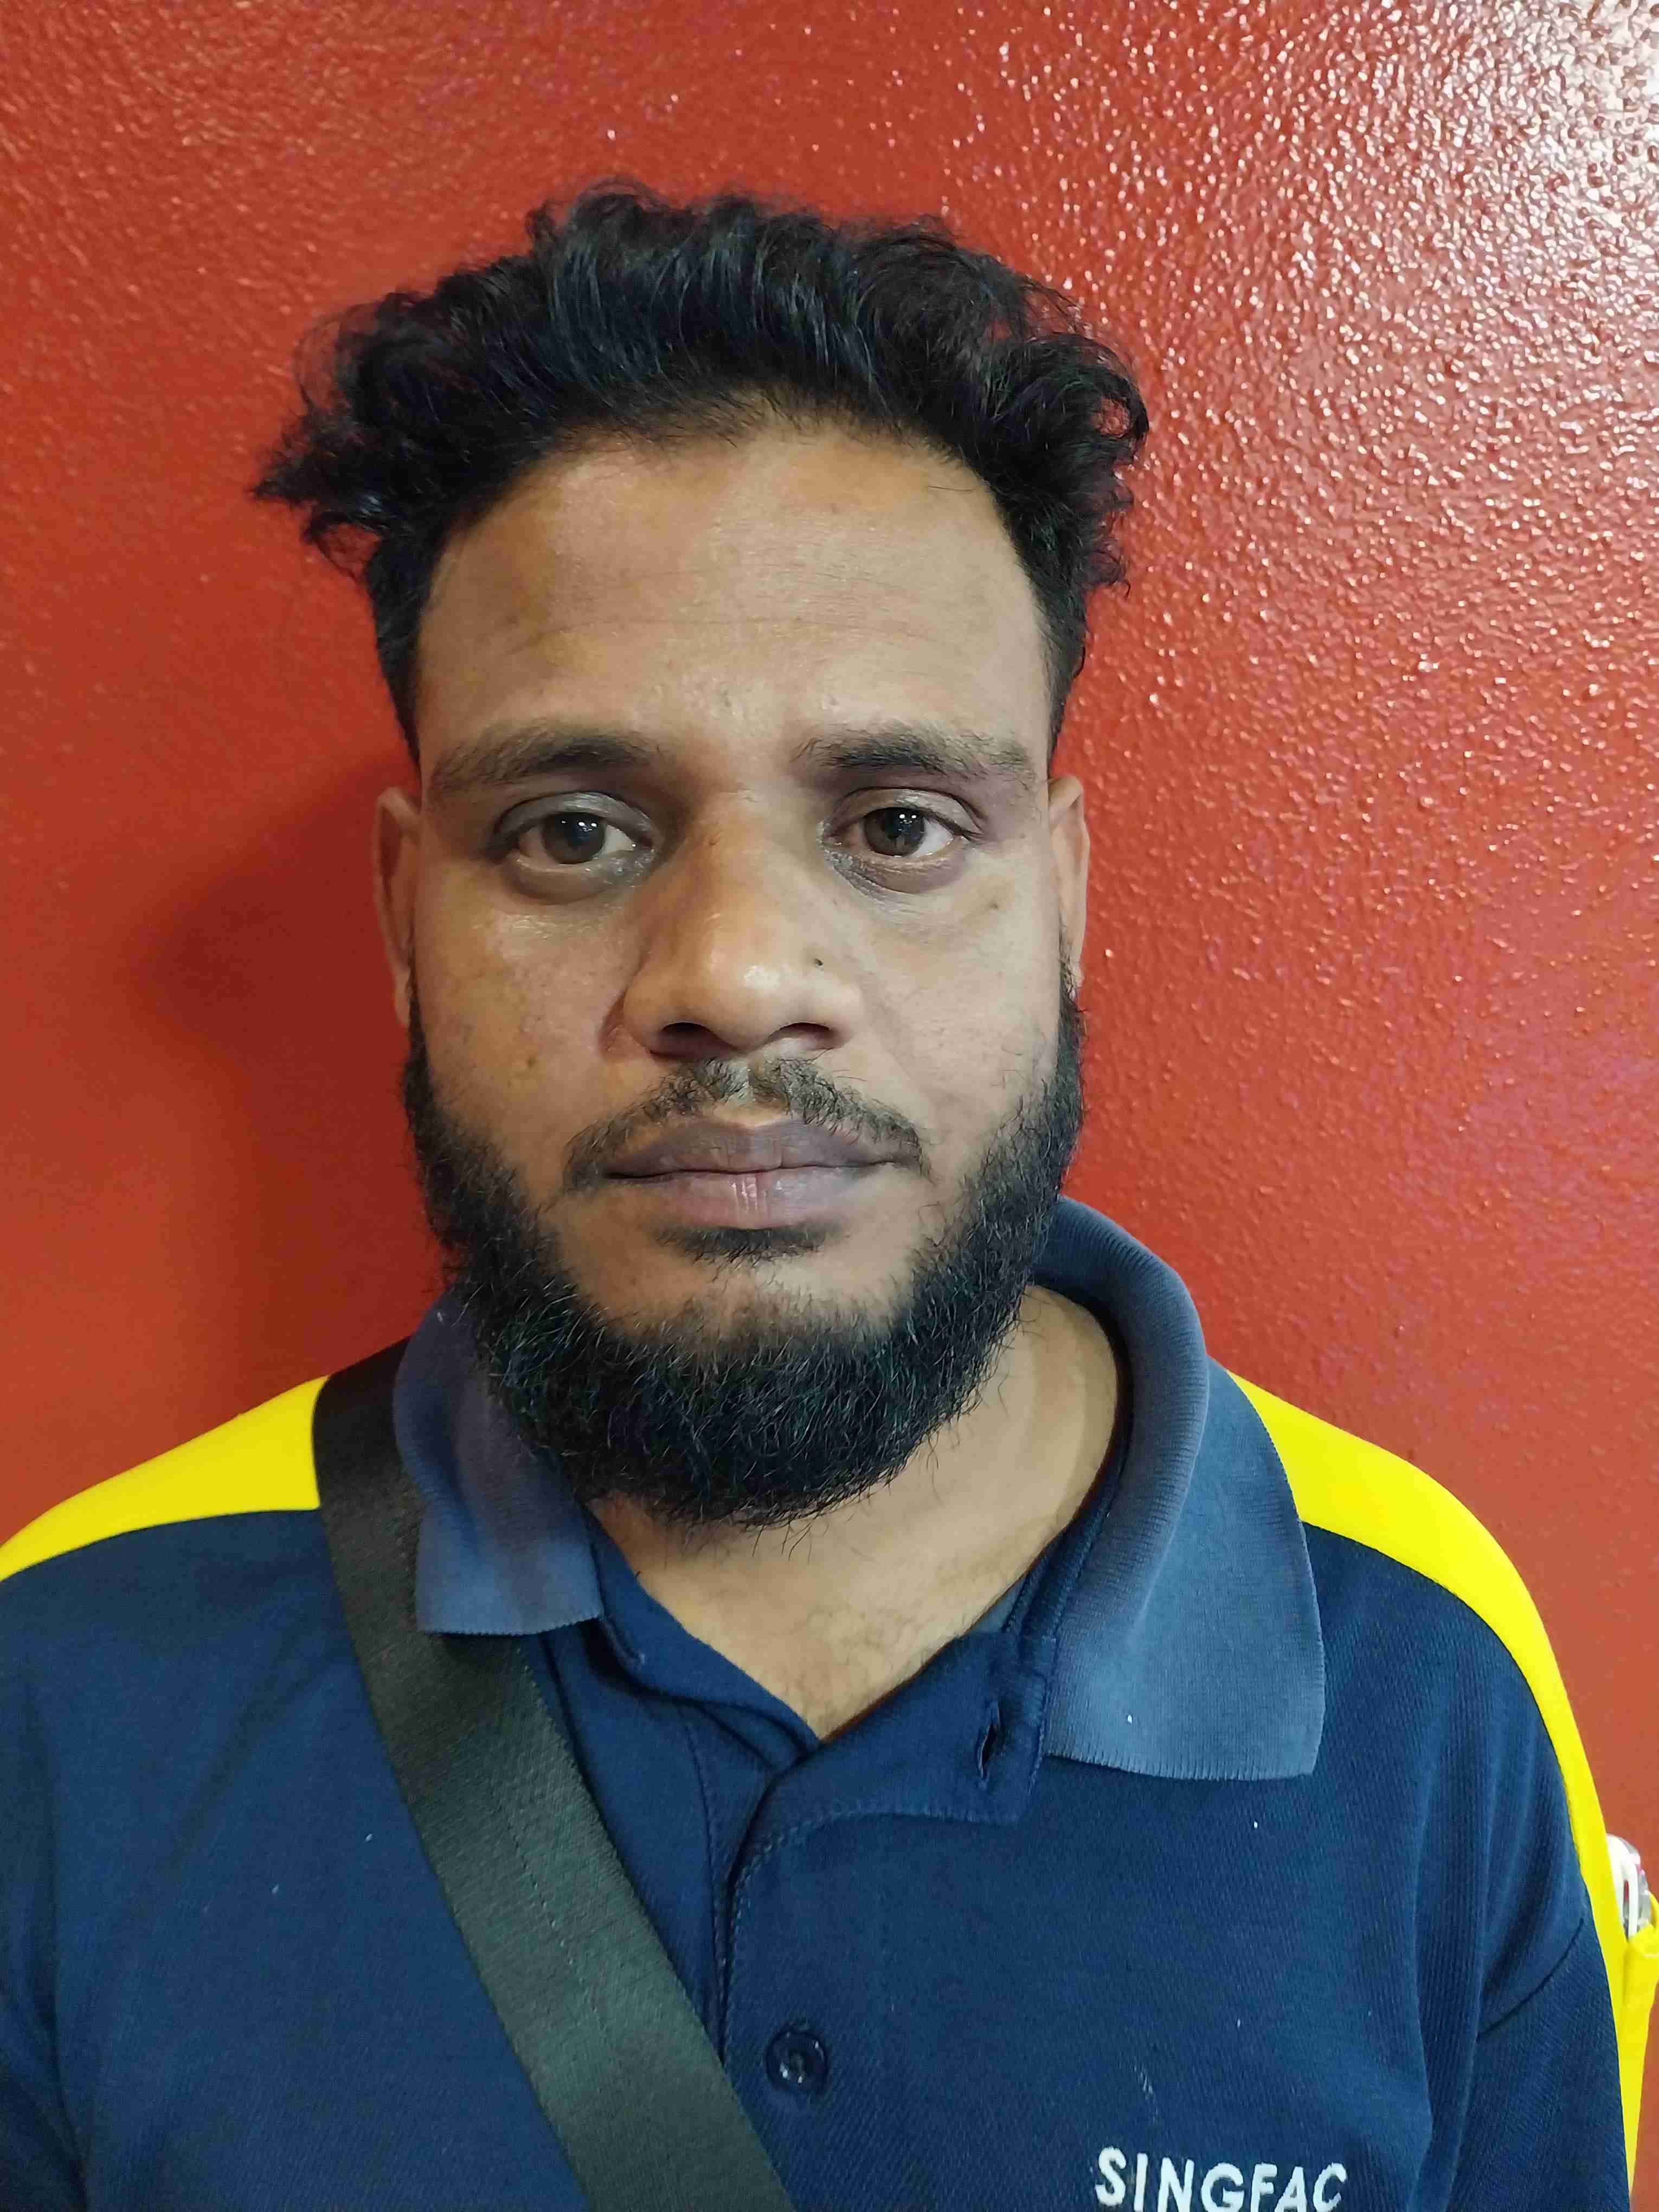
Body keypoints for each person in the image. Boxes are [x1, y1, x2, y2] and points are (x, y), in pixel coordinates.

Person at [1, 181, 1646, 2212]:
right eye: (574, 830)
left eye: (895, 824)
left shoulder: (1427, 1662)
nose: (733, 975)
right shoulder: (72, 1677)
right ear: (408, 919)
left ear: (1060, 898)